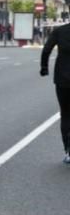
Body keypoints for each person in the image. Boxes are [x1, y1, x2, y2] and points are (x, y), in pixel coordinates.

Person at [40, 20, 70, 164]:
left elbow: (46, 49)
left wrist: (44, 67)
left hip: (63, 79)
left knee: (65, 114)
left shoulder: (60, 31)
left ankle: (68, 150)